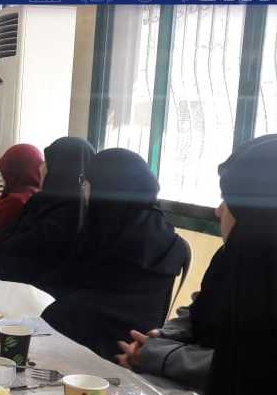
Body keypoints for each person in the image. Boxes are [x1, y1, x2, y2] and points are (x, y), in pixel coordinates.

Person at [115, 135, 277, 395]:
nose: (218, 212)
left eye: (228, 201)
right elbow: (199, 311)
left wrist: (156, 354)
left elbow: (250, 364)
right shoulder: (236, 259)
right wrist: (159, 340)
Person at [41, 148, 188, 359]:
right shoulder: (159, 233)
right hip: (138, 348)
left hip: (103, 350)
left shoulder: (115, 235)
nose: (83, 188)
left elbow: (82, 299)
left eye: (86, 181)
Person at [0, 137, 94, 296]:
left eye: (47, 163)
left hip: (31, 298)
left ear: (60, 169)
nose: (40, 168)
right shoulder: (41, 201)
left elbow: (15, 253)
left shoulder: (66, 216)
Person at [0, 143, 44, 244]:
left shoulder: (14, 203)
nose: (3, 179)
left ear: (14, 173)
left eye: (6, 173)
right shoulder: (37, 195)